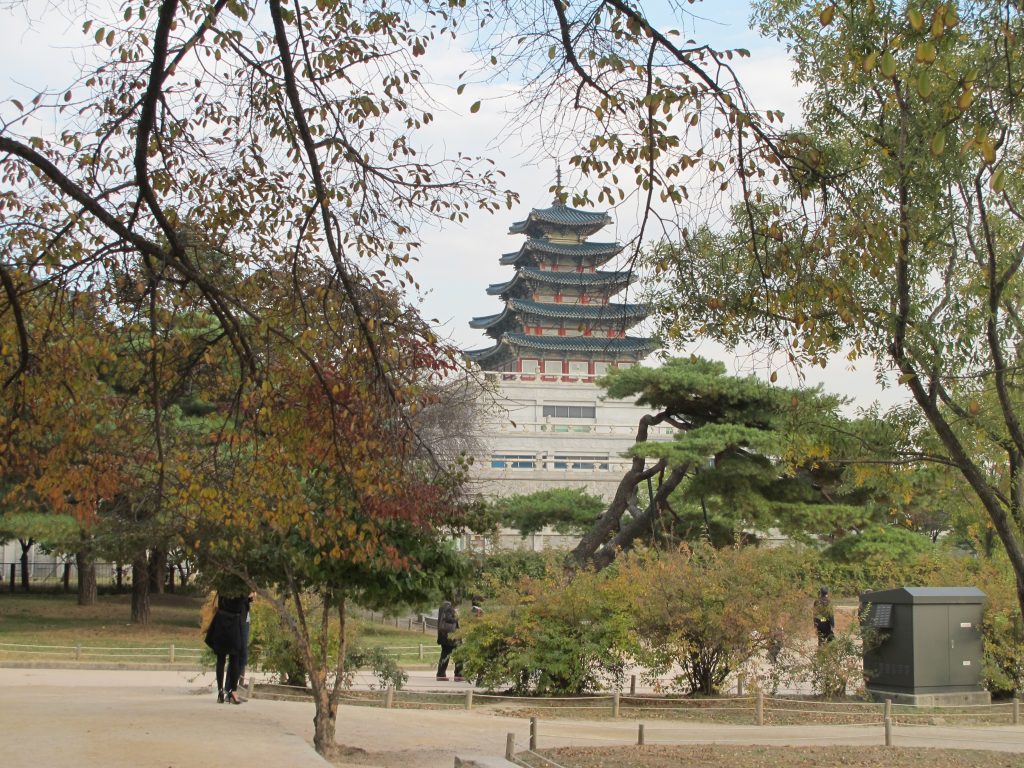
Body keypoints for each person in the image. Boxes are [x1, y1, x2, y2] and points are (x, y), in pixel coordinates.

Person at [203, 591, 248, 704]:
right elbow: (240, 603)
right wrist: (249, 597)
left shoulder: (223, 583)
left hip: (221, 621)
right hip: (234, 622)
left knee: (221, 659)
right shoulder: (239, 587)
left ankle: (220, 692)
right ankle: (233, 692)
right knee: (234, 659)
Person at [436, 599, 463, 682]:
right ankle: (458, 675)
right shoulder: (449, 608)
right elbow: (449, 619)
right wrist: (457, 616)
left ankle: (440, 674)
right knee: (459, 655)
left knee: (444, 656)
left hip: (443, 637)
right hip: (452, 637)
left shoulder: (441, 608)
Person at [236, 592, 255, 689]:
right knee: (239, 655)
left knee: (242, 656)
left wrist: (250, 597)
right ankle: (231, 688)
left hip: (245, 620)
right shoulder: (237, 586)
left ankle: (235, 687)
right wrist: (247, 596)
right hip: (238, 619)